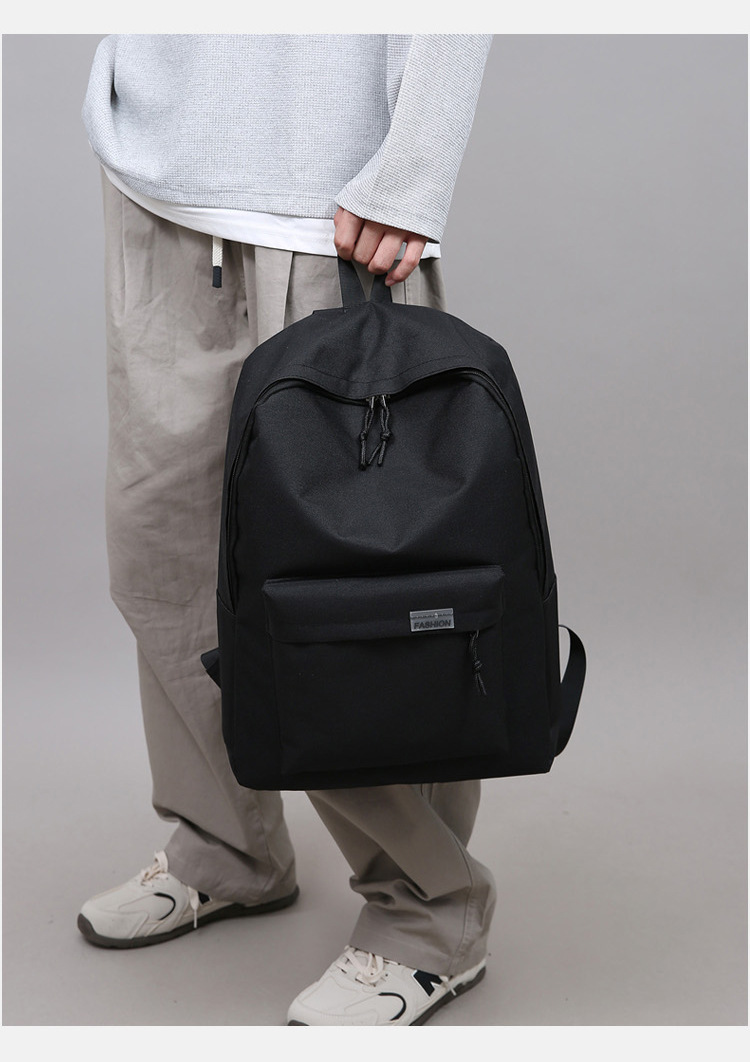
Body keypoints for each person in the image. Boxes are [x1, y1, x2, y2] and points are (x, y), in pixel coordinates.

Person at [79, 33, 495, 1026]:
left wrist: (413, 168)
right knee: (166, 555)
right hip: (156, 179)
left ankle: (430, 911)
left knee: (353, 592)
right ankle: (227, 846)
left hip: (330, 197)